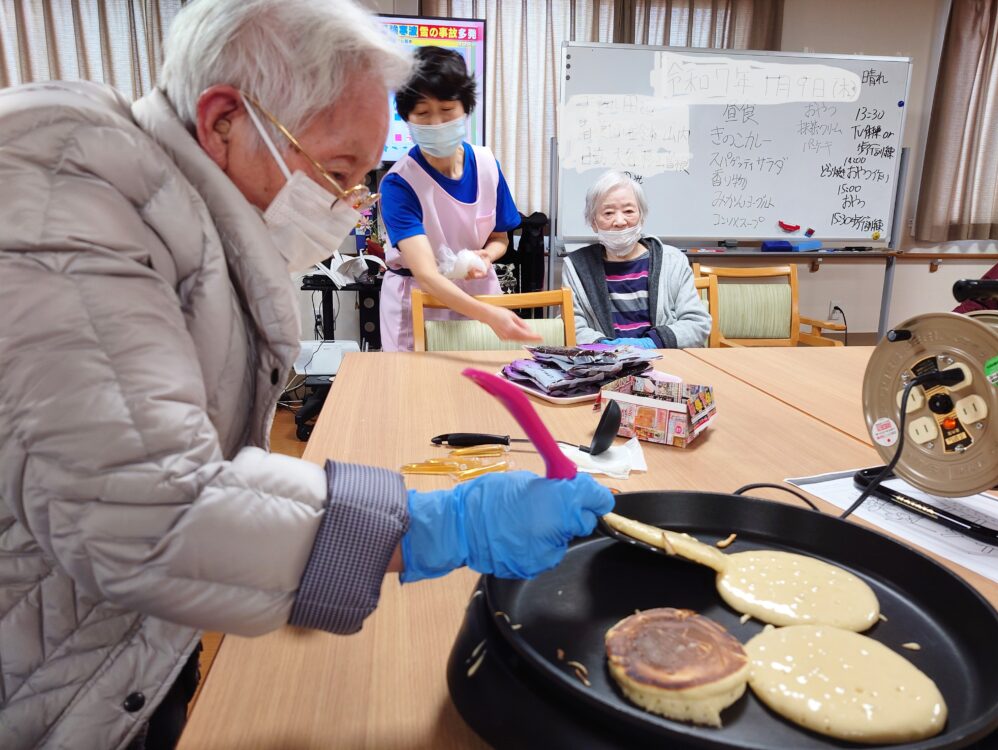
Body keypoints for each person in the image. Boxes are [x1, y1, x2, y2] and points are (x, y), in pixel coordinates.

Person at [0, 2, 614, 748]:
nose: (339, 203)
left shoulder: (162, 214)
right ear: (224, 119)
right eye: (333, 171)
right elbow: (149, 509)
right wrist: (438, 523)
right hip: (49, 680)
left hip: (115, 644)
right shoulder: (65, 209)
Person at [378, 46, 541, 351]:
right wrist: (491, 316)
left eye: (447, 110)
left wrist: (486, 256)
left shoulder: (487, 165)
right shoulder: (400, 184)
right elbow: (426, 275)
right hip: (420, 302)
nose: (437, 123)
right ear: (407, 118)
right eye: (423, 114)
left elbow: (500, 239)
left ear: (465, 109)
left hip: (480, 293)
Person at [562, 171, 712, 349]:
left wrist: (652, 342)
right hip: (605, 365)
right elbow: (572, 326)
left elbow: (697, 324)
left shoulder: (672, 261)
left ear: (642, 216)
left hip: (666, 360)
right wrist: (606, 347)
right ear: (593, 222)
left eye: (628, 211)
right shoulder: (576, 266)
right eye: (608, 213)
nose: (620, 221)